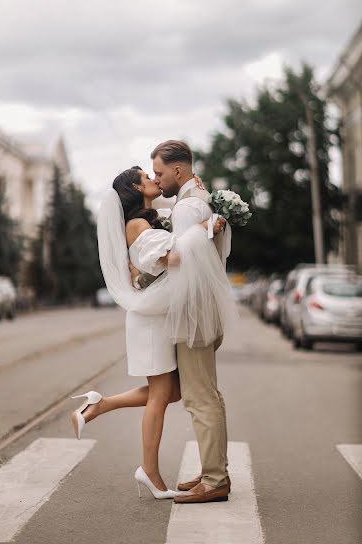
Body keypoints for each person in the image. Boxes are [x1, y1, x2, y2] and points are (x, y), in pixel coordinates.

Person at [70, 166, 227, 500]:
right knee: (161, 395)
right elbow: (172, 256)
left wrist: (199, 196)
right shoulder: (136, 224)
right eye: (147, 175)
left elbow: (187, 207)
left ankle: (99, 405)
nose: (155, 179)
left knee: (171, 392)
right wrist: (203, 229)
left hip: (160, 314)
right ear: (134, 186)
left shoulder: (152, 216)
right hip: (150, 319)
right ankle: (150, 472)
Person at [151, 140, 234, 504]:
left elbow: (180, 260)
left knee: (200, 398)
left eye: (159, 172)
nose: (158, 179)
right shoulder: (201, 199)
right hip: (204, 310)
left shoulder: (187, 208)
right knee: (208, 394)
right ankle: (213, 468)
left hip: (193, 313)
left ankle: (215, 480)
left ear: (178, 171)